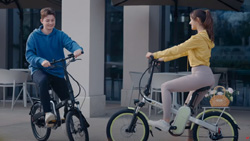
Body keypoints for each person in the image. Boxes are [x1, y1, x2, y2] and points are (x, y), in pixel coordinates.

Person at [146, 9, 215, 140]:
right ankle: (191, 138)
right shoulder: (204, 38)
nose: (189, 23)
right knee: (186, 110)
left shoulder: (198, 38)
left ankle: (165, 121)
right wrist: (162, 59)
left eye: (191, 20)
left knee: (165, 87)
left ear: (198, 21)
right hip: (205, 76)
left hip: (200, 75)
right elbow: (181, 53)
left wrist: (155, 54)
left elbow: (178, 48)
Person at [26, 7, 83, 127]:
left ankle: (68, 118)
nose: (50, 23)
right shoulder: (34, 36)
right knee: (43, 80)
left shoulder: (59, 35)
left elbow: (70, 43)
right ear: (42, 21)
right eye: (47, 20)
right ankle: (47, 113)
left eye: (52, 20)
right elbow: (29, 55)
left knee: (67, 98)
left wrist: (77, 49)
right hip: (39, 70)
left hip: (56, 70)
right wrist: (41, 61)